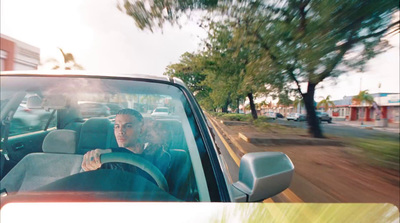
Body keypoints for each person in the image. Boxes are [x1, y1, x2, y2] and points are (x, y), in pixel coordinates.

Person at [81, 108, 171, 177]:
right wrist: (91, 167)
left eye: (128, 126)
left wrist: (113, 152)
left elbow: (150, 182)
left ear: (140, 130)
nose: (121, 131)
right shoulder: (106, 158)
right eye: (117, 126)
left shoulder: (158, 154)